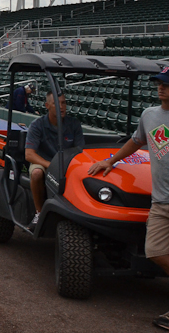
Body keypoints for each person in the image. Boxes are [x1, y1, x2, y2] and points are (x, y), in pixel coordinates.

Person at [89, 66, 169, 329]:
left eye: (166, 84)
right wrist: (110, 160)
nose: (161, 87)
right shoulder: (150, 115)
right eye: (159, 83)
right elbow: (136, 142)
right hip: (161, 201)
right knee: (155, 251)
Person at [25, 91, 84, 229]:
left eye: (63, 103)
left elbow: (80, 151)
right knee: (36, 173)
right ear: (47, 105)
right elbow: (29, 154)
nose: (62, 106)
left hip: (67, 164)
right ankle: (39, 213)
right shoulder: (37, 125)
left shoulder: (74, 124)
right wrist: (52, 165)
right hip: (44, 163)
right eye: (57, 103)